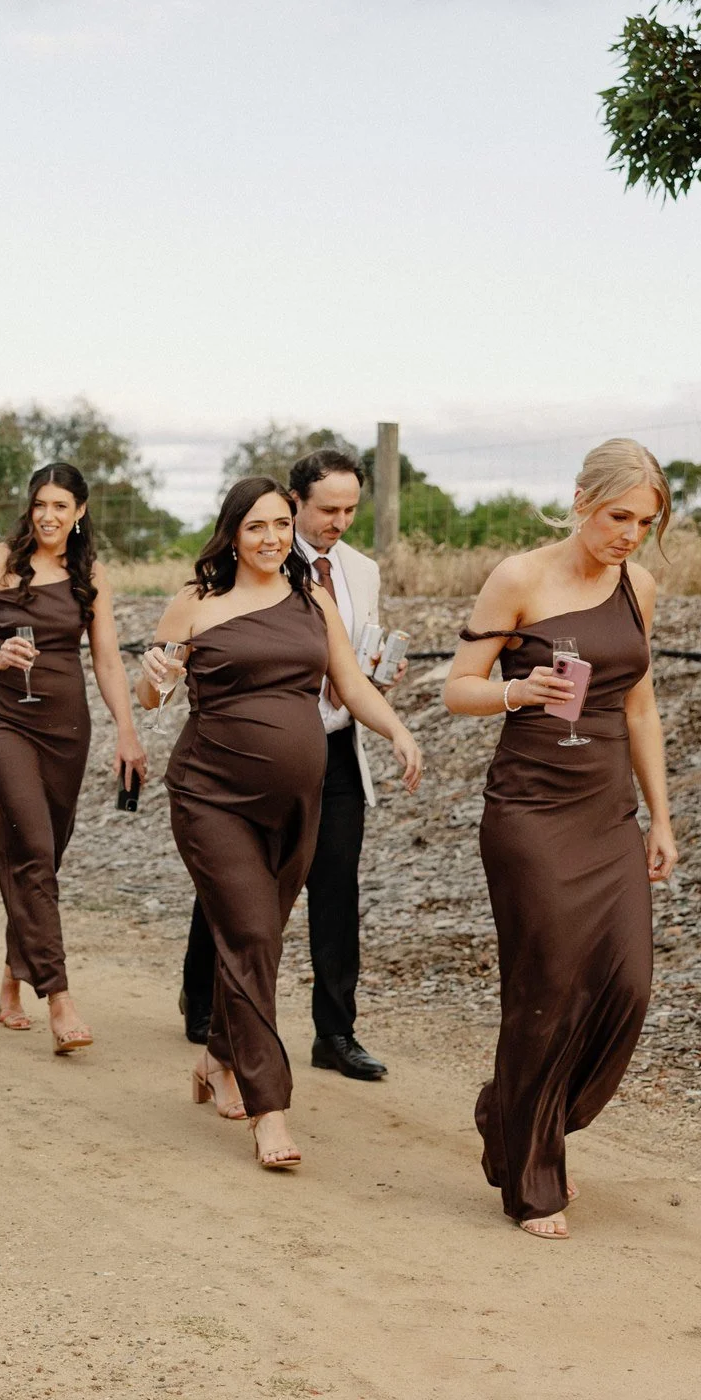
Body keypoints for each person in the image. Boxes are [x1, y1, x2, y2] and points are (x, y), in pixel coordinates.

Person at [136, 477, 421, 1169]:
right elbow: (154, 695)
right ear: (231, 532)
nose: (270, 538)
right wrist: (150, 674)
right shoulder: (196, 604)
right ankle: (271, 1111)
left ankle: (217, 1057)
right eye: (256, 526)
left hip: (299, 802)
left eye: (280, 525)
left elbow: (350, 686)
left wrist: (398, 731)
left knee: (258, 943)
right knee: (253, 932)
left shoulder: (310, 598)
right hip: (212, 797)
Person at [443, 438, 676, 1240]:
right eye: (619, 516)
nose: (629, 535)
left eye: (644, 523)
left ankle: (510, 1114)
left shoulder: (637, 585)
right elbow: (455, 690)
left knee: (627, 986)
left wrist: (661, 817)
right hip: (531, 814)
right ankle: (533, 1176)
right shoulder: (519, 578)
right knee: (545, 992)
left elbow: (640, 709)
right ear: (582, 499)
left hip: (607, 815)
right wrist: (517, 689)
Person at [179, 448, 403, 1079]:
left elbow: (351, 665)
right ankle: (209, 1009)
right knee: (238, 899)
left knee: (334, 888)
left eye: (351, 509)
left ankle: (334, 1031)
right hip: (239, 760)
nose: (339, 520)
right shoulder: (245, 571)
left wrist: (383, 687)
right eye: (327, 509)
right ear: (295, 503)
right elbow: (177, 670)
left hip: (330, 750)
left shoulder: (359, 571)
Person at [0, 463, 147, 1055]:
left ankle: (12, 978)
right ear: (29, 508)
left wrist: (126, 732)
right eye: (40, 505)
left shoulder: (92, 575)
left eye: (61, 506)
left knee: (39, 852)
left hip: (67, 729)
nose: (49, 515)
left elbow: (107, 659)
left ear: (80, 512)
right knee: (32, 845)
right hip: (2, 721)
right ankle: (58, 995)